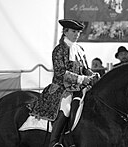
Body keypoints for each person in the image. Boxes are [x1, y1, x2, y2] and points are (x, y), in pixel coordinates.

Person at [29, 19, 98, 147]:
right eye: (73, 31)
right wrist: (82, 79)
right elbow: (61, 73)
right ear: (65, 32)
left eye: (78, 32)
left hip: (80, 87)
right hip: (62, 88)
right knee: (66, 109)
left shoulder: (79, 49)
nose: (76, 34)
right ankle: (54, 142)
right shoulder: (59, 50)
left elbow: (84, 68)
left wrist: (91, 74)